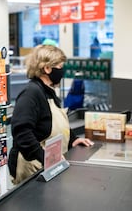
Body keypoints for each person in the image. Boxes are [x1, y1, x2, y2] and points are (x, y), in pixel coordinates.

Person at [8, 44, 94, 184]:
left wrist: (73, 139)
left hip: (50, 165)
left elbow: (57, 122)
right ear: (47, 68)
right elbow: (22, 132)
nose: (62, 72)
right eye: (60, 67)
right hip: (34, 166)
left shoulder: (48, 92)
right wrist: (45, 157)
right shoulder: (31, 93)